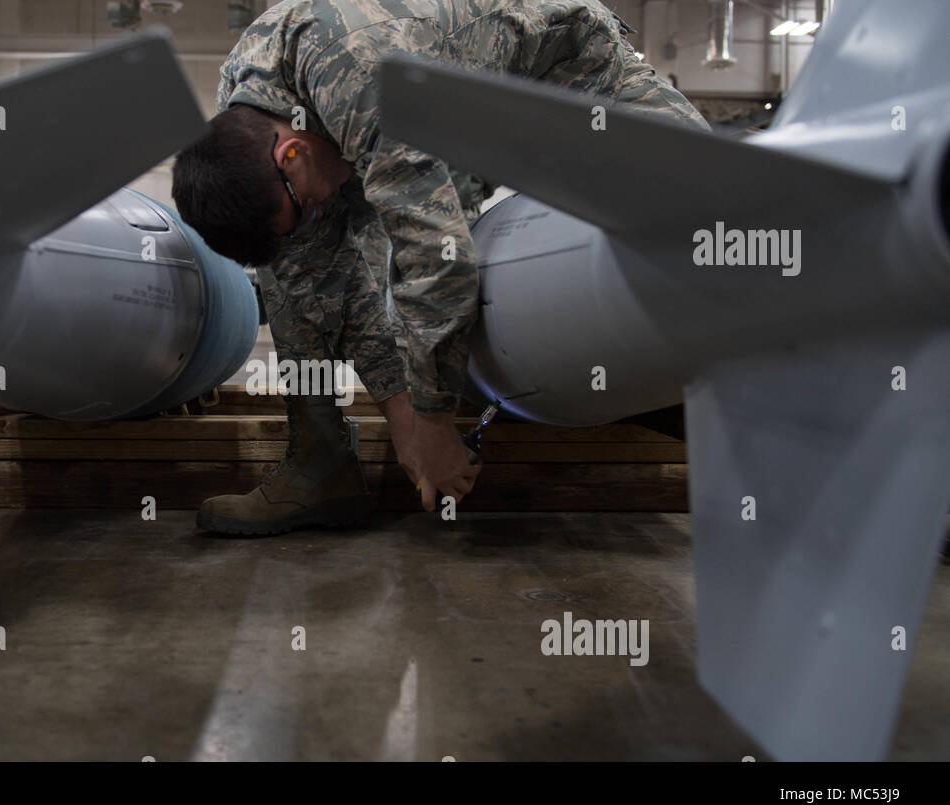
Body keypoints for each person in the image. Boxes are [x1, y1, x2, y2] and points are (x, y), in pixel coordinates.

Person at [173, 0, 708, 536]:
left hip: (561, 75)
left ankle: (691, 407)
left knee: (703, 223)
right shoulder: (245, 118)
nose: (316, 211)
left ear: (291, 153)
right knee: (295, 265)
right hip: (450, 112)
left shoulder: (360, 78)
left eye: (308, 204)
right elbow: (334, 278)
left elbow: (439, 265)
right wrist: (406, 426)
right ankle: (321, 467)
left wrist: (432, 423)